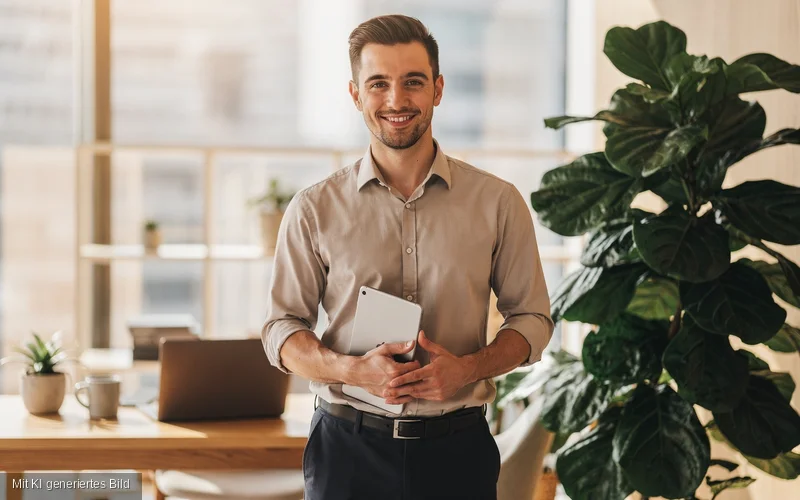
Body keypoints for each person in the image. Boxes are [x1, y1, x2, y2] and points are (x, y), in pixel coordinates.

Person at [262, 14, 553, 500]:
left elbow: (534, 321)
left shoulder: (498, 202)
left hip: (458, 453)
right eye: (378, 84)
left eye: (412, 82)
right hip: (346, 453)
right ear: (356, 95)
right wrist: (352, 371)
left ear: (438, 89)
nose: (396, 101)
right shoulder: (313, 209)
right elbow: (280, 331)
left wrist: (469, 368)